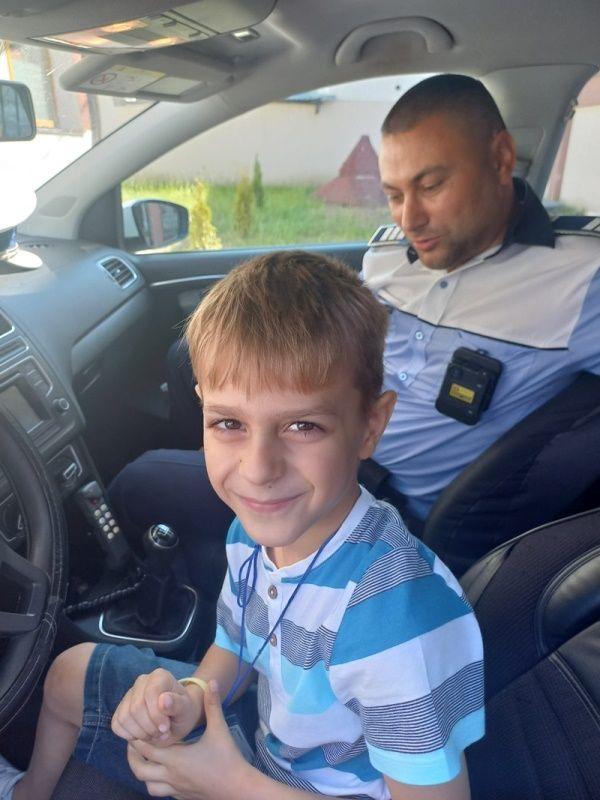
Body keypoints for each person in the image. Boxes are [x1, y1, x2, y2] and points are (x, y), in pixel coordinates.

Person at [0, 251, 484, 800]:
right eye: (229, 422)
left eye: (303, 426)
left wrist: (230, 784)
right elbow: (235, 647)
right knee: (68, 674)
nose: (258, 471)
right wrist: (189, 697)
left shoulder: (396, 623)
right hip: (256, 753)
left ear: (370, 425)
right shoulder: (254, 532)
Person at [108, 73, 600, 592]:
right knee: (186, 355)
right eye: (393, 194)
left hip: (393, 510)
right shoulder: (387, 255)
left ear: (500, 159)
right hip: (317, 444)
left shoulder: (581, 280)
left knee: (141, 481)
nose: (410, 218)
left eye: (431, 186)